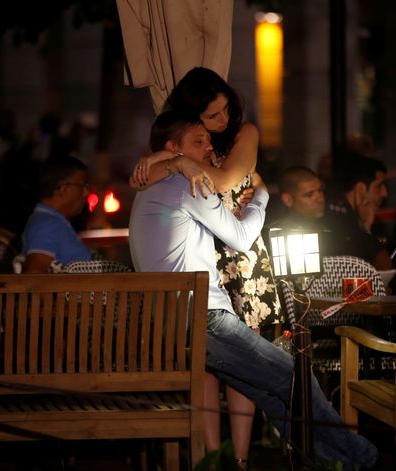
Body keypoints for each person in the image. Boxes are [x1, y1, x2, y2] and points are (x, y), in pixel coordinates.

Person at [129, 111, 378, 470]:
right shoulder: (189, 185)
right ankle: (364, 458)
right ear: (173, 149)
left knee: (273, 394)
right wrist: (260, 196)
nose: (208, 147)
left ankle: (337, 463)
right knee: (295, 375)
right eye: (198, 141)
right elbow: (243, 238)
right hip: (205, 318)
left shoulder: (151, 190)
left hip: (177, 321)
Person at [129, 67, 282, 465]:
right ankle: (211, 458)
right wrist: (177, 160)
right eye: (213, 115)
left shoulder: (243, 135)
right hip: (200, 249)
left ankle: (242, 458)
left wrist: (175, 161)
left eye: (226, 111)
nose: (223, 121)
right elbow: (140, 182)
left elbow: (227, 178)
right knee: (207, 363)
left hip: (238, 250)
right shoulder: (187, 142)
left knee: (244, 364)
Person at [270, 166, 387, 269]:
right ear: (288, 199)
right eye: (309, 194)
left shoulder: (336, 224)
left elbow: (371, 247)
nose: (319, 198)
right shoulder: (277, 233)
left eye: (320, 190)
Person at [20, 156, 92, 273]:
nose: (86, 193)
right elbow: (34, 274)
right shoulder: (48, 225)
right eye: (83, 186)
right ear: (63, 189)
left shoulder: (51, 222)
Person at [327, 155, 394, 270]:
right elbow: (383, 266)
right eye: (379, 186)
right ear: (361, 188)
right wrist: (365, 230)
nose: (384, 193)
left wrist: (366, 226)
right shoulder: (340, 218)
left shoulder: (347, 216)